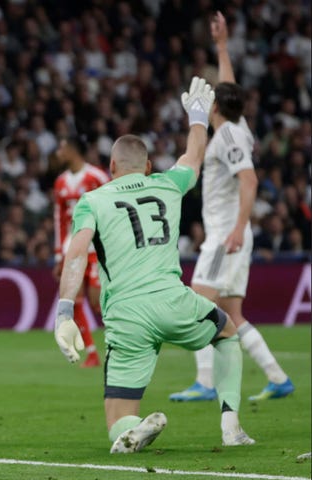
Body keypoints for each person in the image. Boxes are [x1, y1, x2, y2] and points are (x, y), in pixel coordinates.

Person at [53, 76, 255, 453]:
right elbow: (194, 156)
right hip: (175, 301)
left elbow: (77, 251)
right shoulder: (166, 184)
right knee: (227, 333)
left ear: (112, 165)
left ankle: (136, 426)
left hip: (127, 316)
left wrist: (65, 312)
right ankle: (231, 424)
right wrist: (197, 115)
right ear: (147, 165)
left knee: (117, 420)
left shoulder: (92, 200)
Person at [169, 12, 293, 404]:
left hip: (225, 238)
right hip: (231, 234)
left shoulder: (225, 138)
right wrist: (222, 47)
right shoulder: (236, 127)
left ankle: (206, 382)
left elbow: (250, 179)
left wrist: (238, 228)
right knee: (232, 315)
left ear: (217, 108)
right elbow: (230, 89)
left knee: (197, 304)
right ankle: (277, 378)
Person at [52, 136, 110, 368]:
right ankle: (93, 353)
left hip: (96, 248)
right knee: (73, 301)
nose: (58, 152)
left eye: (62, 146)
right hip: (71, 249)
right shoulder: (61, 182)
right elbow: (59, 219)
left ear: (73, 150)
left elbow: (110, 210)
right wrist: (59, 254)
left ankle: (122, 342)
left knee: (98, 302)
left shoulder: (97, 177)